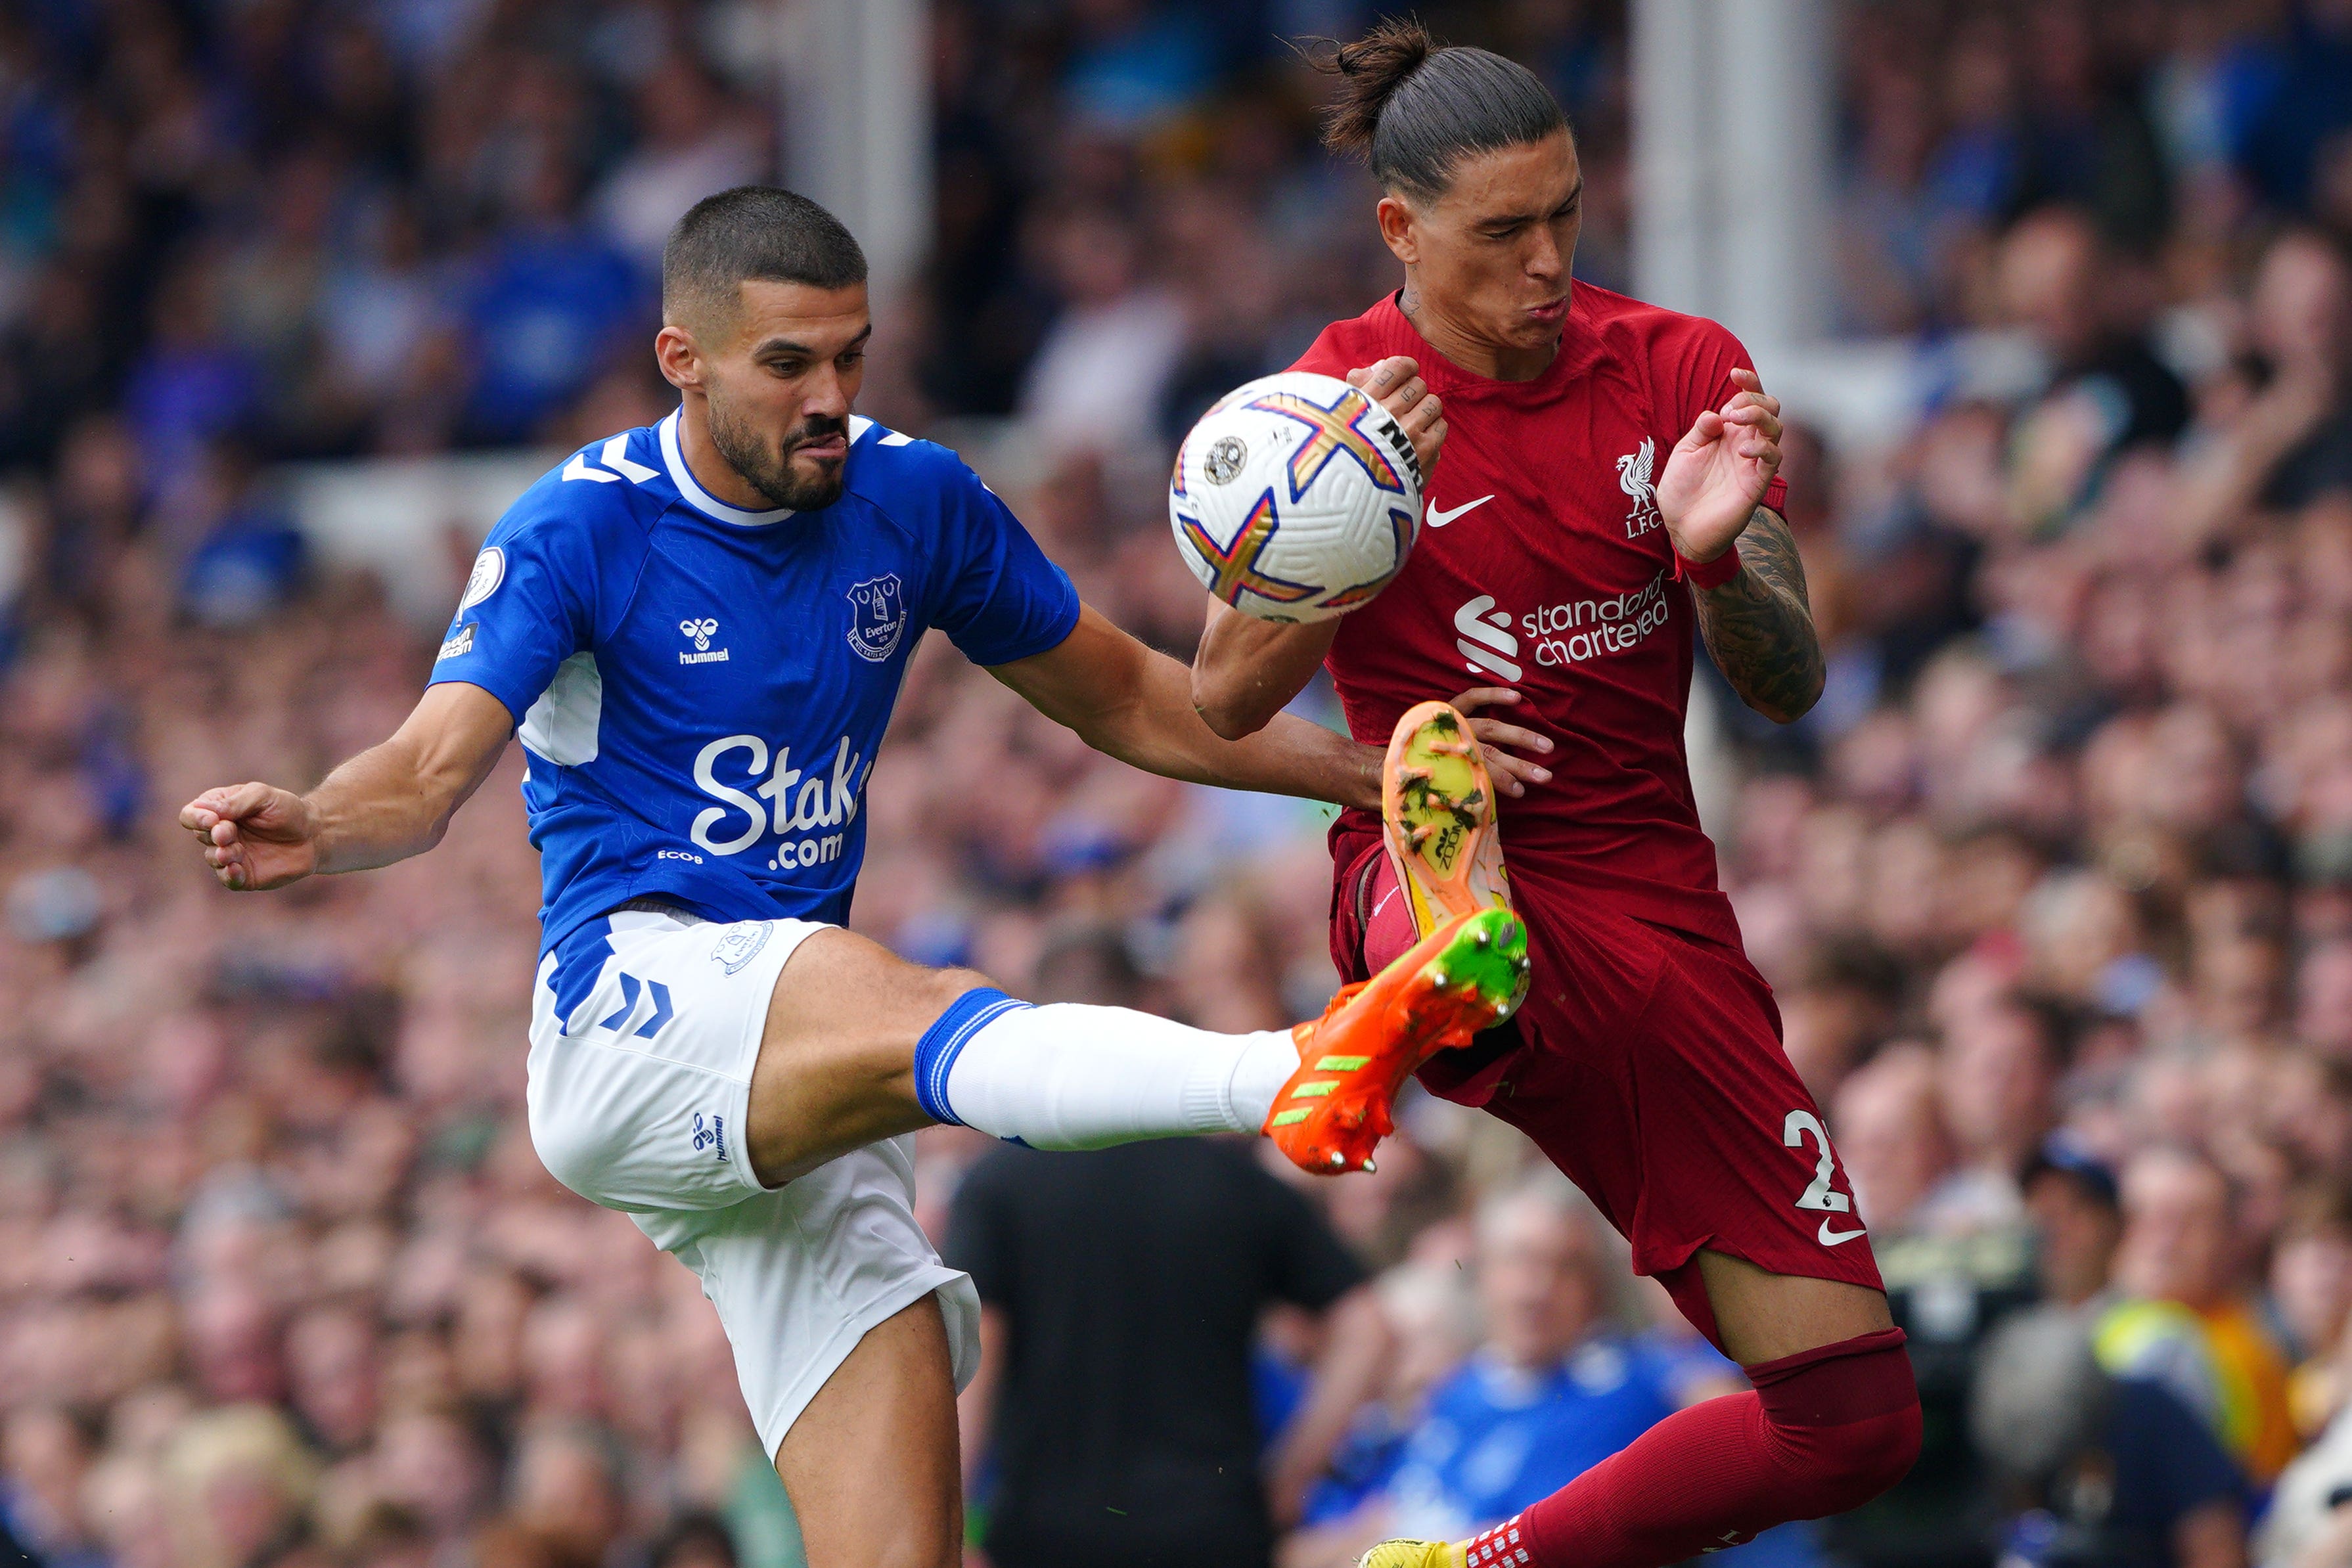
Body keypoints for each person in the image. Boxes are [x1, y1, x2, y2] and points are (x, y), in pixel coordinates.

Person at [176, 187, 1531, 1568]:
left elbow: (1126, 695)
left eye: (850, 356)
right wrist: (319, 822)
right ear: (680, 360)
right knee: (910, 992)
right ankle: (1285, 1072)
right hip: (629, 1013)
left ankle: (1293, 1068)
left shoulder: (912, 496)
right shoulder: (578, 525)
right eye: (787, 365)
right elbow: (418, 774)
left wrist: (1366, 774)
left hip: (797, 1091)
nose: (829, 396)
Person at [1186, 24, 1922, 1568]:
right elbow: (1225, 696)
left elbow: (1785, 689)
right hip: (1428, 860)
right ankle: (1429, 972)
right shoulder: (1322, 404)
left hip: (1649, 909)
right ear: (1399, 229)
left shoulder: (1680, 369)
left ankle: (1475, 1565)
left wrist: (1717, 550)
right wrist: (1348, 515)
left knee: (1853, 1420)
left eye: (1565, 216)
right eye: (1501, 232)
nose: (1545, 262)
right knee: (1444, 813)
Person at [944, 925, 1390, 1568]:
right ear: (1143, 1015)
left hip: (1047, 1537)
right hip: (1212, 1534)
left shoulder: (996, 1184)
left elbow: (975, 1363)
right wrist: (1289, 1479)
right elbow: (1367, 1326)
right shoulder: (1232, 1178)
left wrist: (948, 1528)